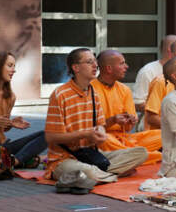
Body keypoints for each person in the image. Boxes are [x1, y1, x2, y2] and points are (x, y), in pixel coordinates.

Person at [44, 48, 147, 182]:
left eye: (95, 61)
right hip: (63, 159)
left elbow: (100, 125)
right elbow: (51, 137)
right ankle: (105, 174)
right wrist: (85, 134)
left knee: (141, 153)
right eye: (89, 62)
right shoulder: (60, 95)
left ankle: (99, 174)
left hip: (90, 154)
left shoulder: (93, 93)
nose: (95, 65)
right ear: (76, 68)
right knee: (88, 171)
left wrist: (101, 133)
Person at [91, 50, 162, 165]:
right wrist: (113, 120)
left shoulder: (124, 90)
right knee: (101, 138)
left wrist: (131, 120)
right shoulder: (90, 90)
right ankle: (147, 156)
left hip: (125, 140)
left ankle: (132, 155)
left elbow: (128, 128)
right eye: (122, 63)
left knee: (163, 135)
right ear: (109, 68)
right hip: (105, 139)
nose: (126, 66)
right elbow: (90, 128)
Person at [133, 35, 176, 112]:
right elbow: (138, 104)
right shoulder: (148, 71)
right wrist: (170, 113)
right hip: (154, 122)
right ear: (170, 50)